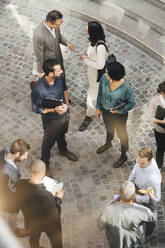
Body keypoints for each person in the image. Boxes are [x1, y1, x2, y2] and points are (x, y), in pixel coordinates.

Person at [31, 58, 78, 174]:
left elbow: (65, 89)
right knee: (47, 142)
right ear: (51, 74)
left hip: (64, 114)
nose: (61, 71)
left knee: (62, 134)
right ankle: (45, 164)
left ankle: (63, 150)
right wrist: (54, 109)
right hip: (51, 120)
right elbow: (36, 108)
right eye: (59, 70)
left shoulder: (60, 78)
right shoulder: (39, 89)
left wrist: (67, 104)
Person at [16, 160, 64, 248]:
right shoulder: (47, 196)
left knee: (34, 239)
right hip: (49, 224)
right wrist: (58, 198)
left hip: (31, 221)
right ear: (44, 173)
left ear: (30, 170)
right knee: (56, 241)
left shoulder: (20, 184)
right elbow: (56, 215)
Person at [96, 61, 135, 168]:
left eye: (108, 73)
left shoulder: (126, 87)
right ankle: (108, 143)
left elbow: (132, 103)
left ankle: (123, 155)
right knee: (108, 128)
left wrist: (119, 111)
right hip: (105, 110)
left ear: (115, 75)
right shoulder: (105, 78)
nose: (105, 74)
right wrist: (98, 107)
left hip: (119, 115)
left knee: (122, 134)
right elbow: (100, 92)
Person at [98, 181, 157, 248]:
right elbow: (153, 219)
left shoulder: (108, 209)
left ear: (119, 192)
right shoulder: (143, 211)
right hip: (134, 245)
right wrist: (152, 200)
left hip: (115, 244)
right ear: (134, 195)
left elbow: (100, 226)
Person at [79, 21, 108, 131]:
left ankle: (89, 115)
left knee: (91, 100)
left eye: (87, 30)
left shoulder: (100, 47)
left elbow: (100, 65)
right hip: (92, 75)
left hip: (97, 78)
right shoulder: (93, 42)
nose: (85, 31)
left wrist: (85, 60)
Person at [0, 139, 31, 237]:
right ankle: (14, 231)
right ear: (17, 154)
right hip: (9, 200)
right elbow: (12, 190)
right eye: (25, 155)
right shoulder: (7, 173)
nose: (26, 157)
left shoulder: (6, 151)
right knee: (12, 216)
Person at [33, 9, 74, 78]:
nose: (59, 26)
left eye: (61, 23)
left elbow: (59, 36)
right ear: (49, 22)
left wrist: (67, 43)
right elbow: (39, 56)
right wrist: (41, 72)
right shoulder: (39, 36)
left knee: (62, 81)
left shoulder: (56, 26)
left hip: (59, 61)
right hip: (50, 67)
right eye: (58, 24)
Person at [148, 81, 165, 171]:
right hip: (161, 131)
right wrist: (162, 121)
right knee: (160, 149)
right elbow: (150, 118)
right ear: (162, 92)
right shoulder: (155, 101)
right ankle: (159, 167)